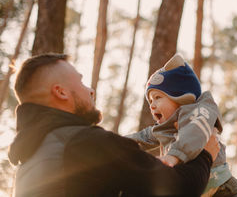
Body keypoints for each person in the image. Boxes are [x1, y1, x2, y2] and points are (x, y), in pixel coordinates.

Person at [8, 53, 220, 197]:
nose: (90, 90)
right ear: (61, 92)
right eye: (81, 82)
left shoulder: (29, 160)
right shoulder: (87, 143)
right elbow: (178, 188)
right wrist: (206, 154)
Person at [127, 53, 237, 197]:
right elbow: (140, 138)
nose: (152, 105)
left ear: (180, 97)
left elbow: (195, 132)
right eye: (150, 100)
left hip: (224, 189)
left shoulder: (198, 111)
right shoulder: (163, 129)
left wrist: (174, 156)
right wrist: (113, 144)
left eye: (158, 97)